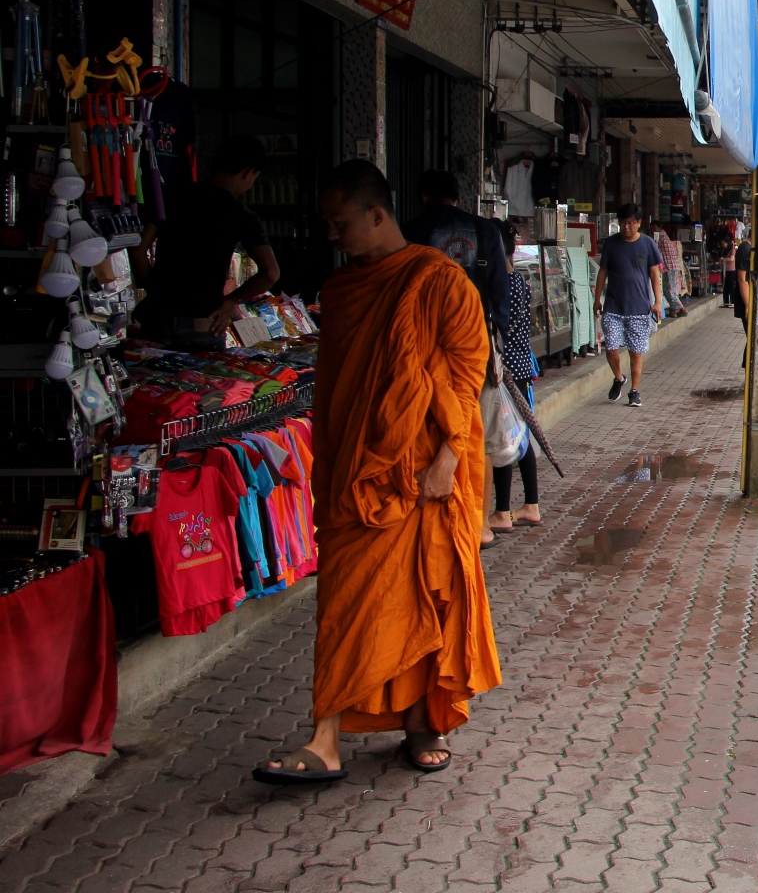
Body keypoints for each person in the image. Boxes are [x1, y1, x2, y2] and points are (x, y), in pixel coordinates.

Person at [254, 161, 500, 784]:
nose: (334, 236)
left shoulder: (439, 282)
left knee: (423, 595)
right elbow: (338, 393)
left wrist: (447, 460)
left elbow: (468, 376)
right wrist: (330, 469)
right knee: (343, 603)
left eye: (341, 224)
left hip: (422, 477)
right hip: (354, 476)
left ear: (376, 214)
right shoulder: (341, 292)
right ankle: (325, 736)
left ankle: (422, 722)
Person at [133, 134, 280, 348]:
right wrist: (231, 300)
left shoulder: (171, 196)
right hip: (203, 326)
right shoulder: (242, 215)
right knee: (201, 381)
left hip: (157, 322)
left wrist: (156, 290)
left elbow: (138, 251)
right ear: (249, 173)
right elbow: (271, 273)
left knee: (151, 381)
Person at [402, 169, 507, 322]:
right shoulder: (487, 230)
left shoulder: (410, 230)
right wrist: (499, 332)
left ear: (424, 198)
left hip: (426, 326)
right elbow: (500, 289)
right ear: (458, 200)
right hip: (475, 327)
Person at [489, 221, 540, 532]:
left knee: (503, 437)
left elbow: (499, 327)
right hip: (521, 365)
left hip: (504, 369)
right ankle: (530, 504)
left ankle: (503, 510)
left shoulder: (500, 283)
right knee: (520, 435)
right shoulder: (519, 281)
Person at [597, 202, 664, 408]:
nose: (627, 227)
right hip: (613, 306)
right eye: (624, 223)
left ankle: (634, 391)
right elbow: (603, 272)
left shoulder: (647, 244)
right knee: (611, 347)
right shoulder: (611, 243)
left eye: (631, 223)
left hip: (639, 307)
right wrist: (597, 299)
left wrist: (658, 302)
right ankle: (619, 378)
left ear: (639, 223)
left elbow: (655, 274)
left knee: (636, 352)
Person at [654, 222, 687, 317]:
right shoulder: (664, 235)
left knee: (669, 291)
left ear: (659, 227)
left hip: (669, 267)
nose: (653, 230)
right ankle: (674, 311)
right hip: (674, 267)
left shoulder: (659, 235)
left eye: (654, 227)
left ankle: (682, 309)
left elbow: (656, 251)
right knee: (673, 290)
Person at [734, 232, 753, 335]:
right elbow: (742, 279)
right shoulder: (745, 248)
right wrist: (747, 305)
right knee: (751, 337)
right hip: (745, 299)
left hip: (750, 298)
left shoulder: (750, 248)